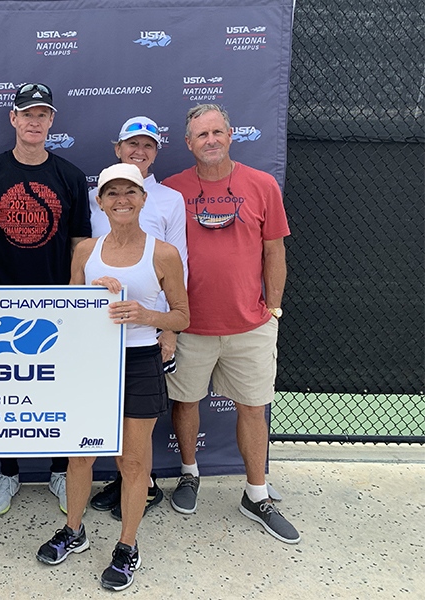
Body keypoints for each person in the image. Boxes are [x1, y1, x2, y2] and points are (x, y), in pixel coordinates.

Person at [35, 163, 189, 591]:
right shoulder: (86, 250)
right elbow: (68, 309)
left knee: (133, 462)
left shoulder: (163, 253)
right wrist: (89, 296)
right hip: (92, 363)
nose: (122, 200)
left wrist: (146, 315)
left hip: (140, 361)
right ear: (100, 202)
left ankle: (127, 546)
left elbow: (182, 315)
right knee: (79, 456)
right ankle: (74, 530)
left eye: (130, 192)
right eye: (112, 193)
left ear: (143, 199)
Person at [161, 104, 299, 544]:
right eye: (202, 135)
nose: (211, 140)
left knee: (254, 408)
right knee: (185, 402)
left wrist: (272, 309)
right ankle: (189, 473)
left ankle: (256, 494)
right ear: (188, 143)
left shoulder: (262, 185)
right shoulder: (171, 190)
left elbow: (274, 250)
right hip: (190, 325)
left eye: (217, 132)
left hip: (250, 325)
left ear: (231, 134)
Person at [0, 82, 91, 516]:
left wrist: (74, 297)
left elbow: (80, 242)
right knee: (5, 393)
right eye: (27, 114)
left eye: (42, 114)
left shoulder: (70, 176)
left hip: (55, 304)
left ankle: (59, 470)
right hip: (2, 303)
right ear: (13, 119)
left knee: (56, 389)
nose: (34, 122)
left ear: (51, 120)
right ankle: (9, 472)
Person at [87, 116, 188, 520]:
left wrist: (167, 329)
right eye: (132, 143)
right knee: (112, 418)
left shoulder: (171, 199)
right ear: (118, 148)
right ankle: (125, 481)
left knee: (138, 420)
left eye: (148, 145)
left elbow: (181, 266)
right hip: (103, 333)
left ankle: (143, 487)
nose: (139, 151)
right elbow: (88, 259)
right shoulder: (95, 197)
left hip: (148, 332)